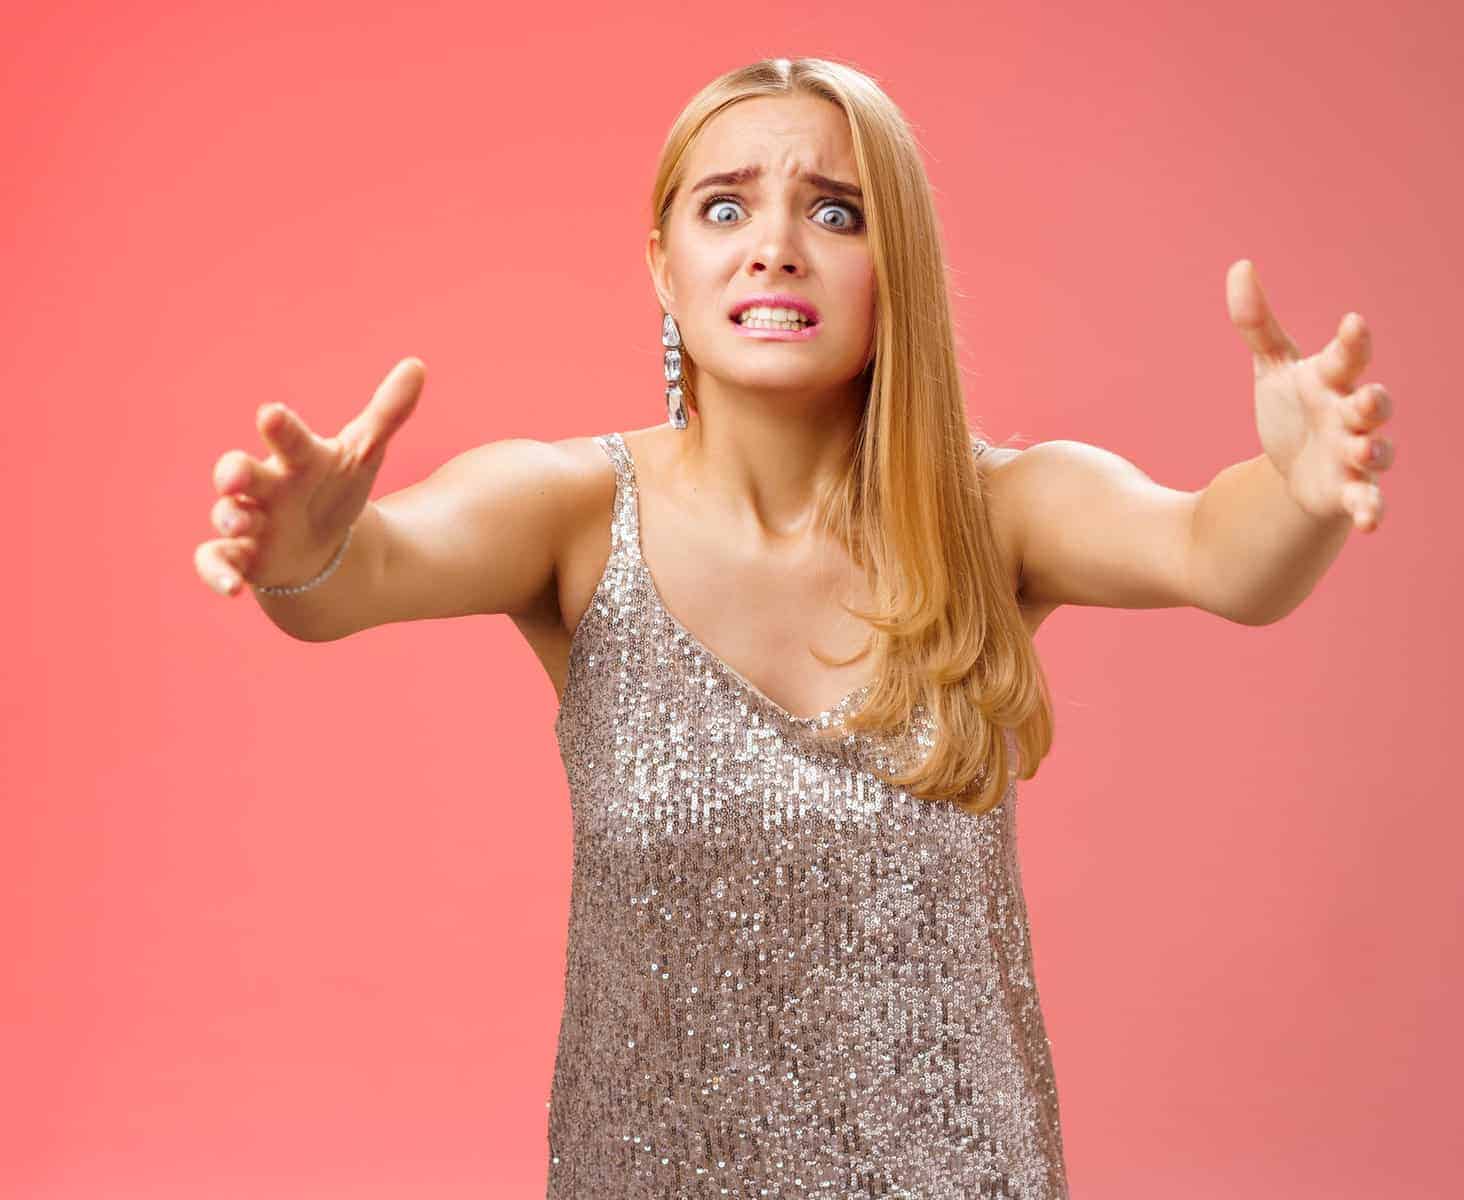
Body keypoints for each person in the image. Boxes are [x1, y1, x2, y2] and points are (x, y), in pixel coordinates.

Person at [192, 55, 1395, 1200]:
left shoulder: (998, 510)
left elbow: (1212, 553)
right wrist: (302, 548)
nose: (774, 247)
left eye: (835, 213)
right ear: (662, 263)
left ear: (897, 264)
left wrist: (1298, 490)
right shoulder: (568, 509)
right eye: (724, 209)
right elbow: (363, 575)